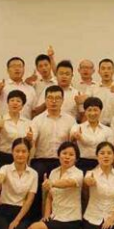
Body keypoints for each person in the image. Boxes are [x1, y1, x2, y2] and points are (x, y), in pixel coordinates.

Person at [26, 142, 83, 229]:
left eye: (71, 154)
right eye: (64, 153)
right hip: (55, 217)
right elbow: (50, 197)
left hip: (70, 219)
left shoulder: (78, 173)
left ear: (76, 158)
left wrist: (52, 183)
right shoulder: (54, 172)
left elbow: (67, 183)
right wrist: (46, 215)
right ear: (58, 155)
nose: (67, 157)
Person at [29, 85, 77, 216]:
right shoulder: (37, 120)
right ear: (45, 100)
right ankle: (36, 217)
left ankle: (59, 217)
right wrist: (29, 139)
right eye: (50, 98)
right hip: (41, 160)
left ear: (62, 100)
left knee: (63, 187)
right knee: (36, 179)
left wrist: (75, 138)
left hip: (62, 162)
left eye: (57, 98)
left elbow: (73, 143)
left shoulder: (70, 120)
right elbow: (32, 139)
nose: (54, 101)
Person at [70, 97, 114, 174]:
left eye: (95, 110)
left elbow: (111, 150)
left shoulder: (108, 130)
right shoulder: (77, 127)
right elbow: (71, 140)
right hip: (82, 163)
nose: (92, 113)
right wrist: (75, 137)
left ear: (100, 111)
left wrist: (82, 138)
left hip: (102, 164)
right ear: (85, 111)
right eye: (89, 110)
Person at [0, 90, 32, 171]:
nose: (15, 103)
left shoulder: (28, 122)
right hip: (3, 157)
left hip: (20, 158)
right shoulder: (0, 119)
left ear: (22, 105)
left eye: (18, 101)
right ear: (8, 103)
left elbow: (30, 144)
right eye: (12, 100)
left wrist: (29, 139)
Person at [87, 59, 114, 126]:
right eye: (103, 69)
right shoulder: (92, 88)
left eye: (109, 68)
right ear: (99, 71)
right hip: (97, 125)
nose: (106, 71)